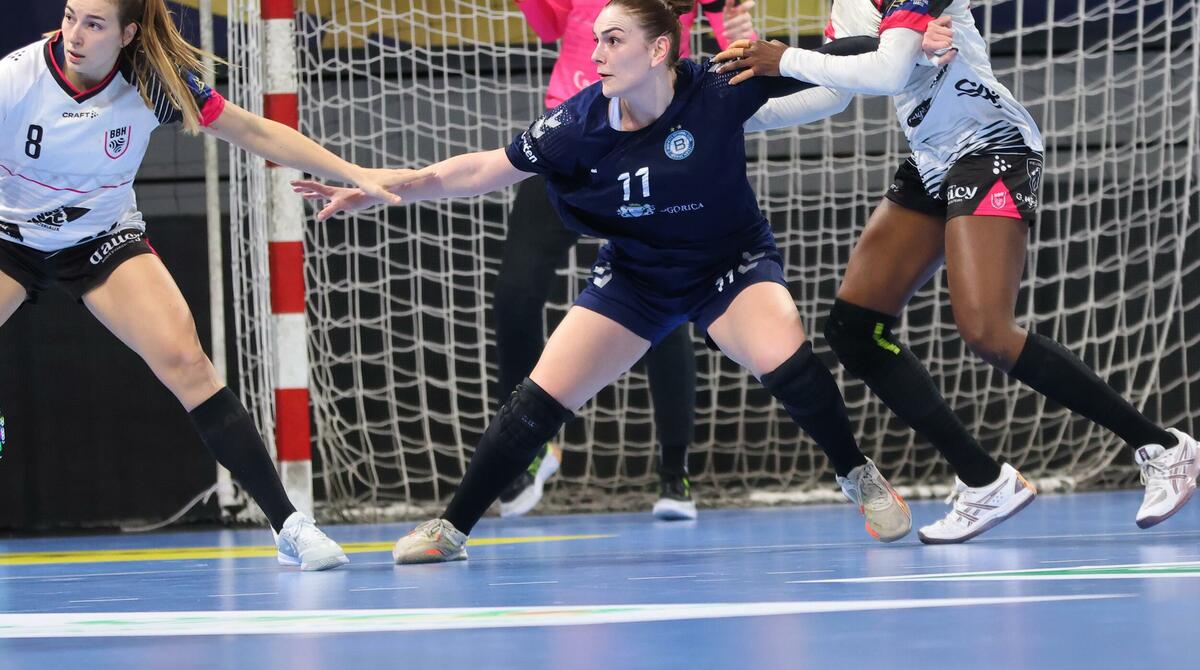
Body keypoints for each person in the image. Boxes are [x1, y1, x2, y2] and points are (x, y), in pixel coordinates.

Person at [297, 0, 916, 564]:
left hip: (727, 267)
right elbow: (480, 170)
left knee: (787, 359)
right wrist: (379, 189)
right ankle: (453, 526)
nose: (595, 55)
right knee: (537, 401)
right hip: (636, 277)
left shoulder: (719, 85)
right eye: (595, 40)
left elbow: (841, 60)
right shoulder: (577, 123)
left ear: (658, 50)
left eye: (612, 40)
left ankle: (856, 473)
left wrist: (909, 37)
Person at [715, 0, 1200, 543]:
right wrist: (731, 116)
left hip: (991, 146)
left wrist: (785, 59)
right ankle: (984, 480)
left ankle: (1163, 447)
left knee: (988, 331)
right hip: (931, 158)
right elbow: (833, 91)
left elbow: (887, 72)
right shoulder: (849, 3)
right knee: (854, 330)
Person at [0, 0, 397, 569]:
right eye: (69, 17)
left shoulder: (153, 84)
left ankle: (290, 525)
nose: (74, 35)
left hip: (99, 237)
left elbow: (253, 131)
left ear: (127, 34)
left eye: (93, 24)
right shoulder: (16, 80)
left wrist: (353, 172)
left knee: (186, 361)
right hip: (10, 236)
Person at [497, 0, 755, 520]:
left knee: (662, 306)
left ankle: (675, 473)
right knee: (514, 296)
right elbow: (547, 27)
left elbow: (733, 47)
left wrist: (738, 29)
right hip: (570, 139)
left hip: (648, 148)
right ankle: (529, 448)